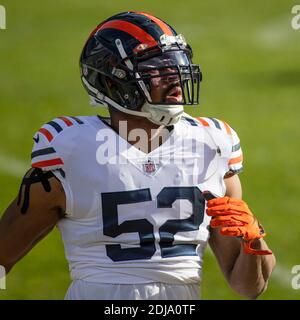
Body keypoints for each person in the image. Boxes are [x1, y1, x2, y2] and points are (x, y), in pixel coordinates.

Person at [0, 11, 275, 300]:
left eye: (176, 65)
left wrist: (253, 238)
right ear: (113, 81)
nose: (177, 77)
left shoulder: (212, 145)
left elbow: (250, 287)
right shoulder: (72, 150)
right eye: (157, 69)